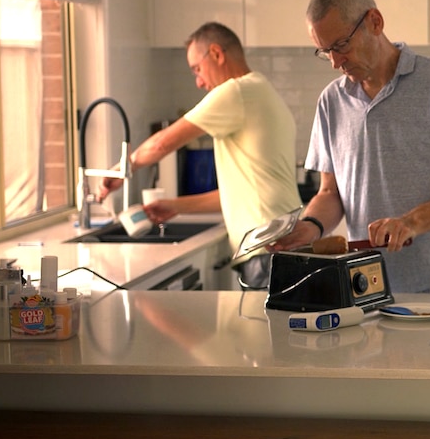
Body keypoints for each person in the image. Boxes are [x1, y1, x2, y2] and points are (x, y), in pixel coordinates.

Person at [271, 0, 430, 294]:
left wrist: (411, 222)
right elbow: (330, 192)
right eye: (325, 52)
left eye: (340, 45)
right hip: (363, 282)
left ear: (374, 22)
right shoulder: (331, 101)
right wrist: (309, 227)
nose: (336, 62)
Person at [99, 22, 302, 288]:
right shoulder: (262, 90)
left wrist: (122, 170)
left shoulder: (236, 92)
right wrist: (176, 206)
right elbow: (240, 193)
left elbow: (163, 143)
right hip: (285, 243)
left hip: (266, 251)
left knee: (264, 330)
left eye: (197, 68)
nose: (198, 81)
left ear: (216, 54)